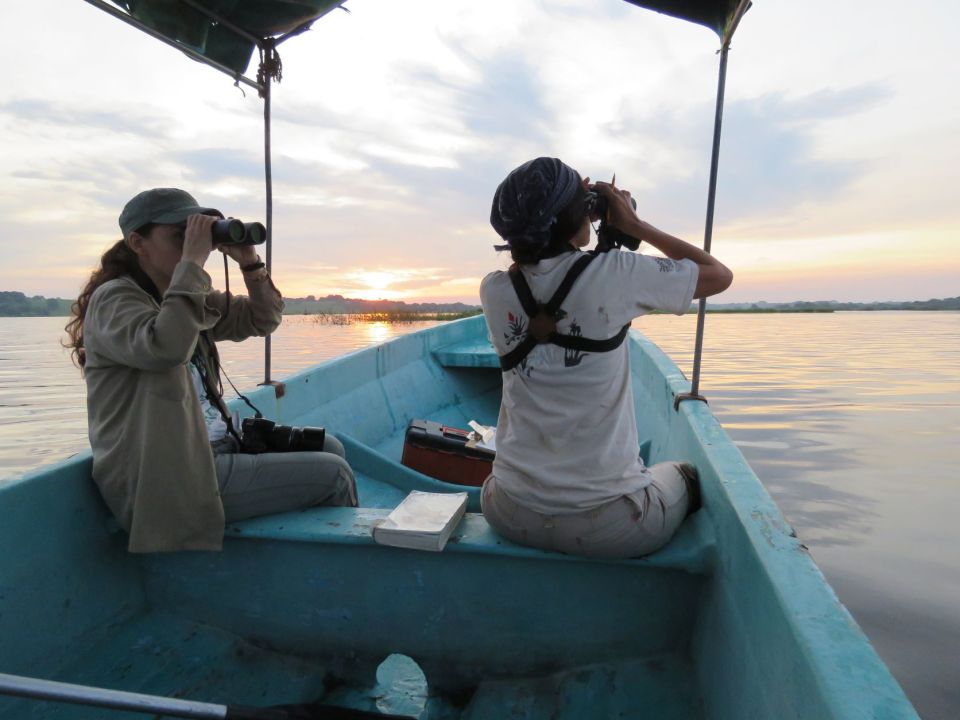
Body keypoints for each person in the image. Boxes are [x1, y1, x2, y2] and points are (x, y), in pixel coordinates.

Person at [65, 188, 357, 553]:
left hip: (212, 449)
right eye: (180, 235)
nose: (194, 245)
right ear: (138, 243)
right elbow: (165, 347)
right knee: (334, 474)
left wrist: (249, 262)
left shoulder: (182, 296)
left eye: (197, 234)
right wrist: (192, 265)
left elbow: (263, 318)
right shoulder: (114, 299)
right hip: (170, 475)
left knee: (331, 447)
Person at [479, 157, 733, 558]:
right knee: (685, 474)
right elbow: (718, 275)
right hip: (610, 527)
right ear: (575, 216)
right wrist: (634, 226)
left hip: (508, 510)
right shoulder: (617, 273)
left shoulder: (493, 289)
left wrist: (596, 229)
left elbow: (562, 275)